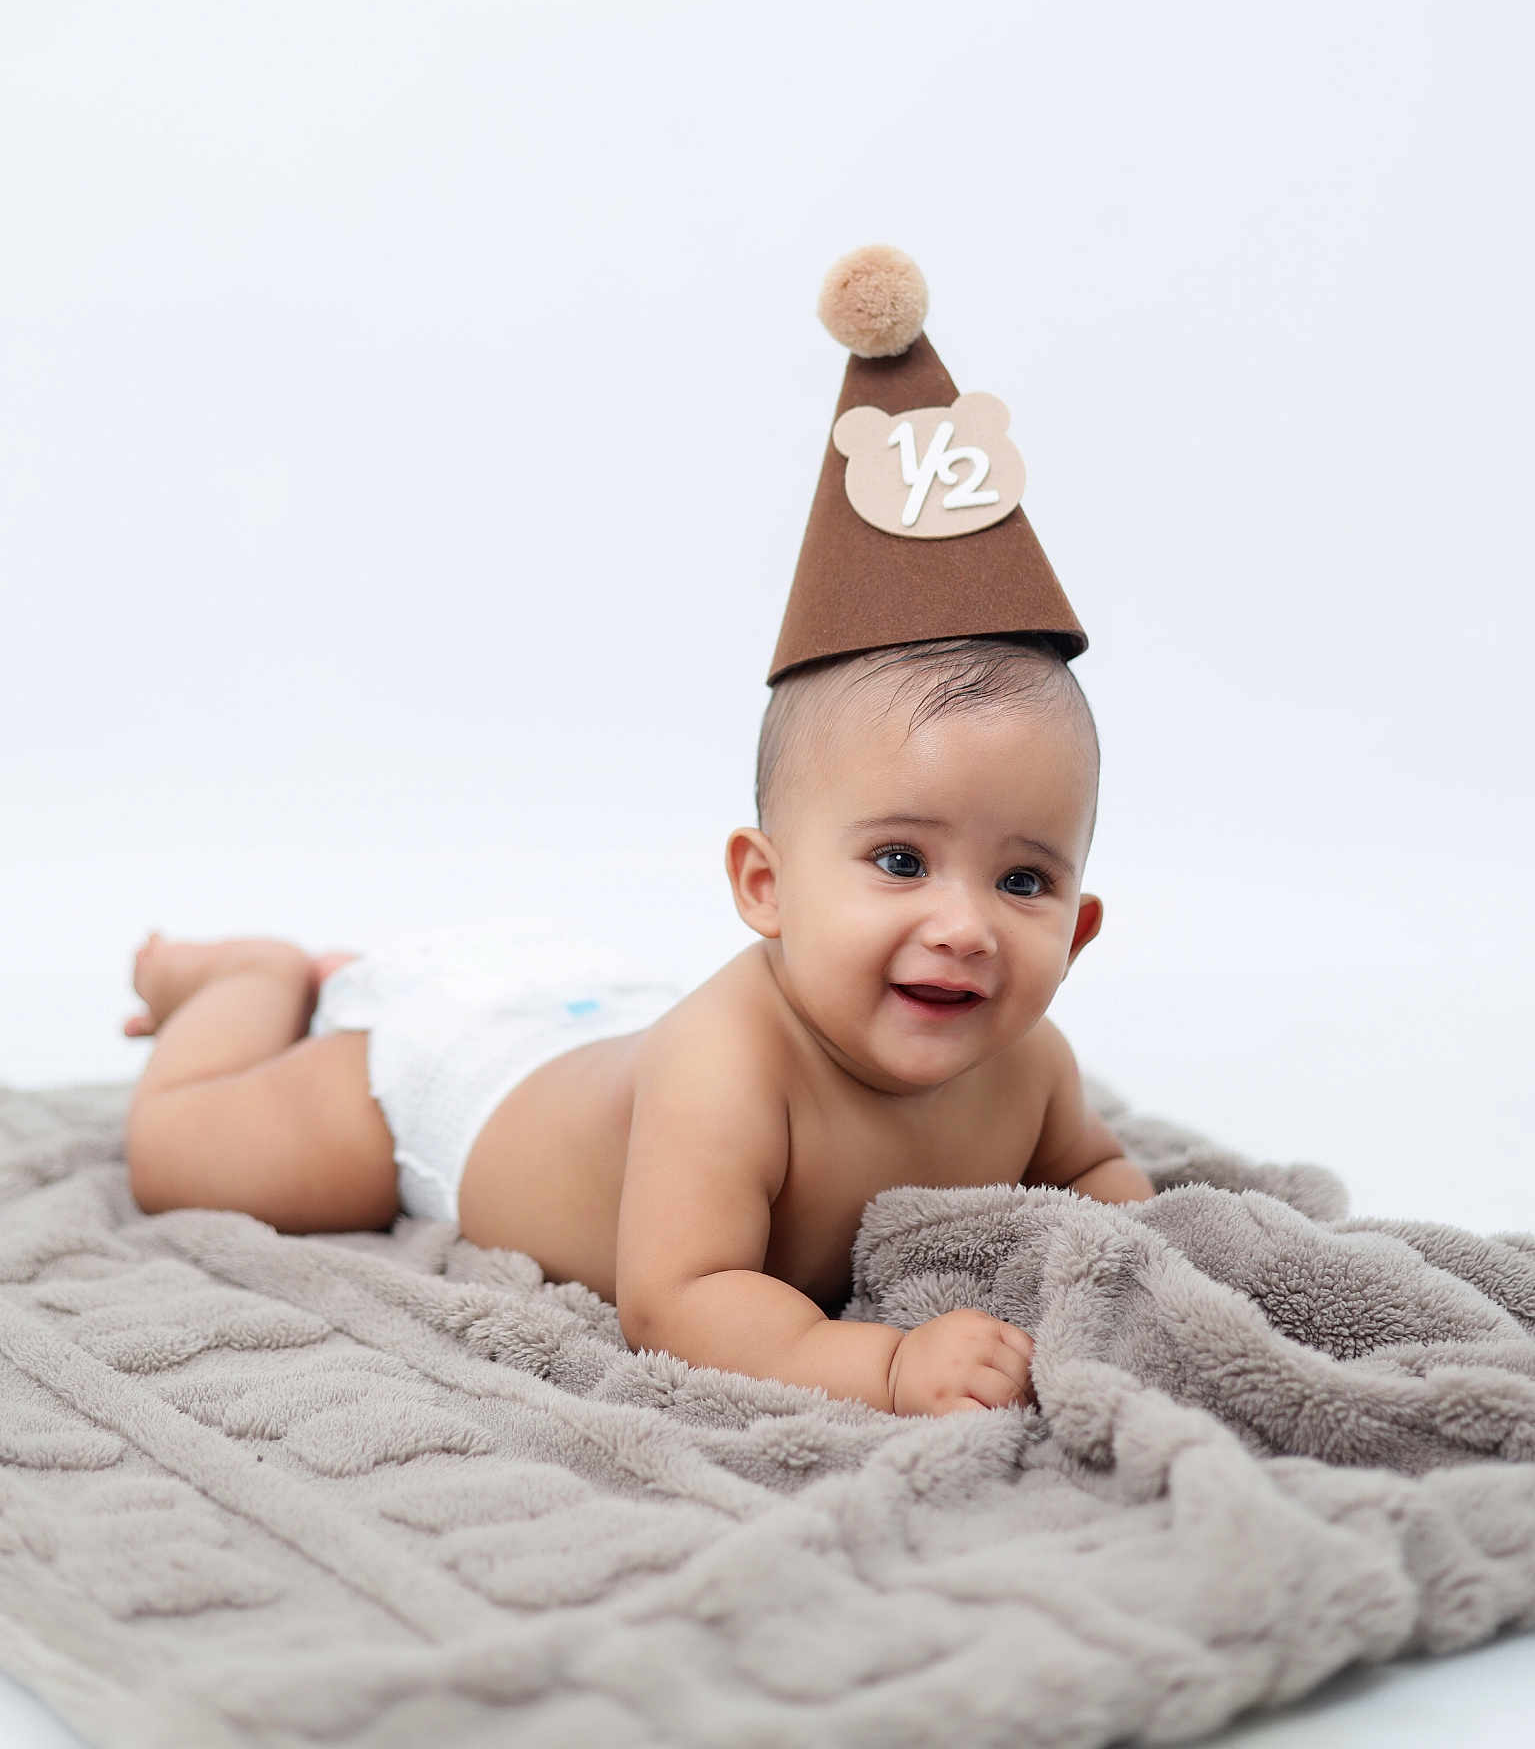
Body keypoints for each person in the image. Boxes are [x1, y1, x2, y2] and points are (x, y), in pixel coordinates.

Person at [122, 249, 1156, 1421]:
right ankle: (238, 982)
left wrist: (1130, 1267)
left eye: (1021, 879)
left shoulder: (1030, 1070)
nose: (962, 926)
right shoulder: (726, 1069)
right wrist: (878, 1365)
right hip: (463, 1084)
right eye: (900, 861)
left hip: (596, 1017)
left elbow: (1094, 1183)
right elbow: (679, 1298)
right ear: (764, 886)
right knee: (178, 1158)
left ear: (1076, 930)